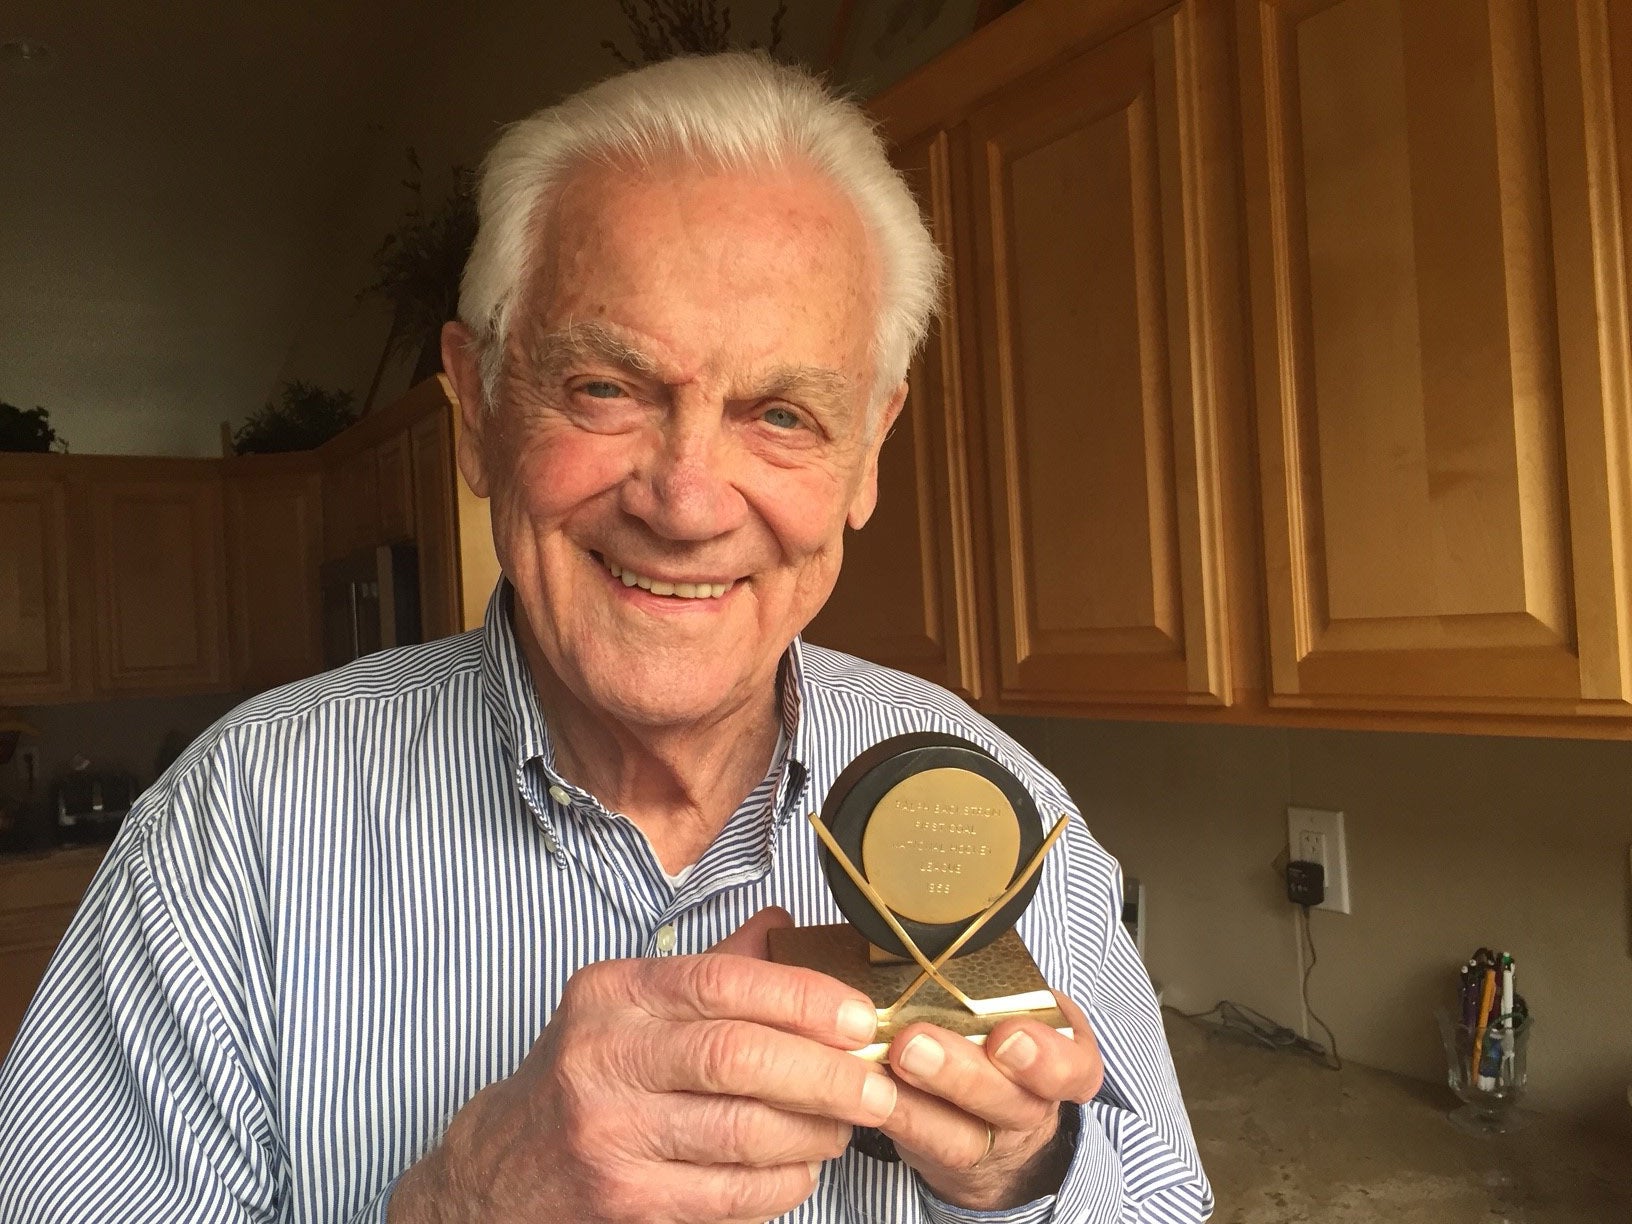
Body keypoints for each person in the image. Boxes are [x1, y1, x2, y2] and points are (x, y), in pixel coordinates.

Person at [0, 53, 1211, 1224]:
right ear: (478, 410)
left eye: (782, 414)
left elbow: (1162, 1199)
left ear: (867, 454)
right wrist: (455, 1212)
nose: (686, 501)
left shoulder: (997, 809)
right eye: (607, 390)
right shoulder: (233, 836)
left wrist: (1017, 1177)